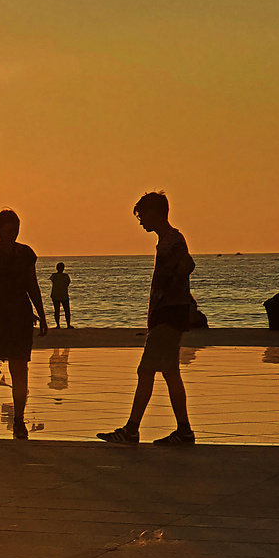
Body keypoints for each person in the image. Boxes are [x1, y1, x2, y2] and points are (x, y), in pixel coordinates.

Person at [98, 191, 196, 445]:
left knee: (146, 370)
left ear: (155, 213)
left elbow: (187, 265)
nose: (141, 221)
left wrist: (173, 297)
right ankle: (184, 430)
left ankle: (132, 429)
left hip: (168, 314)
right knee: (170, 372)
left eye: (143, 216)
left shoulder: (172, 241)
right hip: (168, 313)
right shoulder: (167, 241)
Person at [0, 210, 48, 438]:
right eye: (8, 228)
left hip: (18, 317)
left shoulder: (26, 254)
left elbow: (32, 285)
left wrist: (42, 315)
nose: (13, 232)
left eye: (16, 227)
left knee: (19, 370)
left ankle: (19, 420)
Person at [50, 262, 73, 329]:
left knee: (57, 310)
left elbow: (52, 281)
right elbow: (67, 283)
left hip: (55, 294)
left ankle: (58, 325)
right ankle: (68, 324)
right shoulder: (65, 276)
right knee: (66, 310)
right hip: (63, 295)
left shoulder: (54, 276)